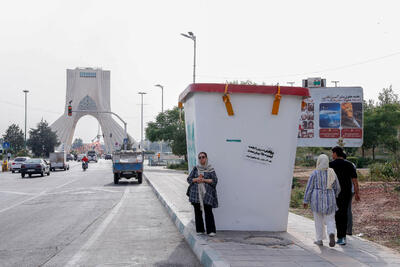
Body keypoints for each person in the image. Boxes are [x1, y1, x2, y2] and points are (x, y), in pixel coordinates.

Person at [304, 154, 341, 247]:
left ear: (319, 162)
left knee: (318, 220)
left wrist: (306, 200)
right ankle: (331, 233)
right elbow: (337, 187)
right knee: (330, 219)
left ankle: (319, 240)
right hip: (330, 197)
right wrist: (334, 195)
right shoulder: (332, 172)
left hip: (317, 198)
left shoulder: (314, 173)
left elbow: (309, 188)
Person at [329, 146, 360, 245]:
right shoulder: (349, 165)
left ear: (335, 153)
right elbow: (355, 181)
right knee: (344, 213)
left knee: (337, 214)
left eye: (332, 153)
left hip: (334, 193)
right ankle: (342, 237)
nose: (332, 155)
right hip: (346, 193)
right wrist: (357, 193)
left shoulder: (331, 165)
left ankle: (338, 236)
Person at [187, 152, 218, 237]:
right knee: (198, 212)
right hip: (196, 195)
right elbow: (189, 179)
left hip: (207, 195)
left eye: (203, 157)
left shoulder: (210, 169)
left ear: (206, 158)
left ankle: (211, 231)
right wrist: (197, 179)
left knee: (208, 211)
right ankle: (200, 230)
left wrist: (204, 180)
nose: (201, 159)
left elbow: (214, 180)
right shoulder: (196, 168)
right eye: (199, 157)